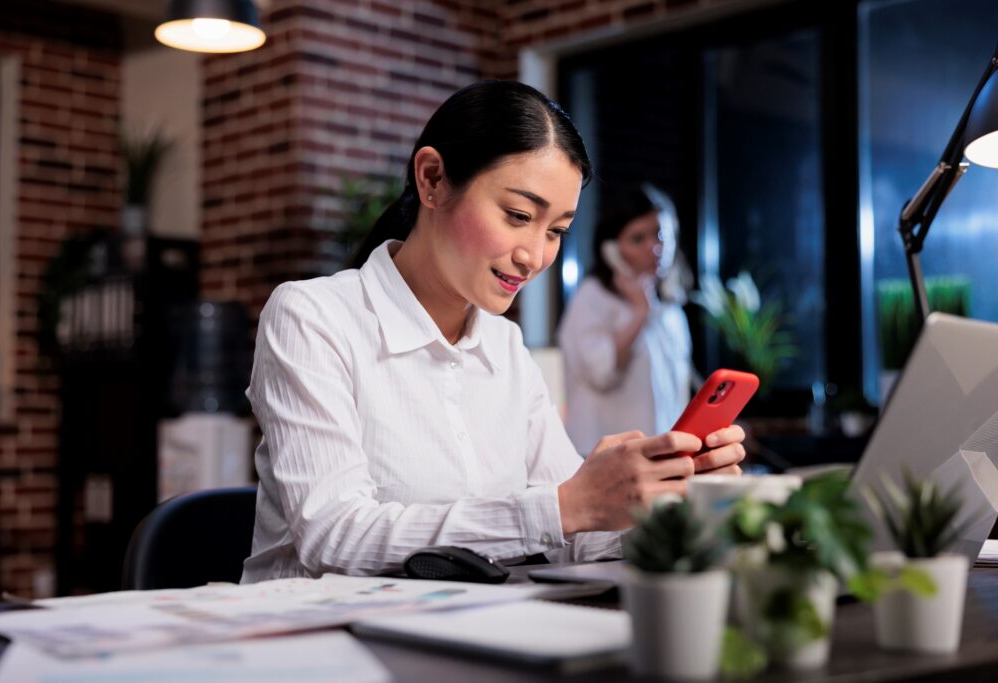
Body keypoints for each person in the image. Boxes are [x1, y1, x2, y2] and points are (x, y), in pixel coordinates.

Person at [242, 81, 745, 582]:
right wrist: (564, 508)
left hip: (457, 631)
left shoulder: (504, 345)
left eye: (555, 231)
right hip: (319, 642)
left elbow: (577, 532)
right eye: (518, 215)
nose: (534, 255)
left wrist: (667, 497)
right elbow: (334, 537)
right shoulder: (312, 317)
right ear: (432, 179)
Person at [558, 185, 695, 455]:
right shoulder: (592, 298)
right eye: (637, 238)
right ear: (611, 249)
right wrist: (638, 315)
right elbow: (602, 373)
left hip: (660, 457)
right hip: (604, 459)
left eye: (660, 234)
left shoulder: (669, 308)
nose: (654, 247)